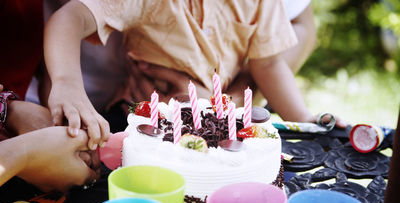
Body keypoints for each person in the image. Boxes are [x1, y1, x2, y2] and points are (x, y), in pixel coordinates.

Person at [43, 0, 344, 148]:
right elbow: (70, 17)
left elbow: (268, 65)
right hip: (141, 123)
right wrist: (67, 83)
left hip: (215, 125)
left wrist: (304, 121)